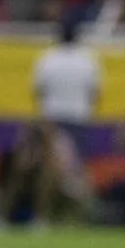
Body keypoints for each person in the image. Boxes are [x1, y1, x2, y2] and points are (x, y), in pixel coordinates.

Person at [33, 20, 101, 159]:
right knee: (77, 161)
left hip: (52, 116)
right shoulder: (87, 59)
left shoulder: (48, 59)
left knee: (52, 161)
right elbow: (94, 92)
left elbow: (38, 90)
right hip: (78, 115)